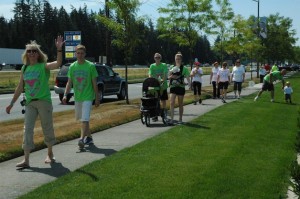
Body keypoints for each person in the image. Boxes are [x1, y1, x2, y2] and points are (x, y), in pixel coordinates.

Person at [5, 36, 65, 168]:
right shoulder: (24, 69)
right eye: (29, 51)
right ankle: (26, 160)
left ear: (38, 54)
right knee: (27, 129)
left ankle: (50, 154)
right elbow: (20, 87)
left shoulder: (43, 66)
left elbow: (57, 64)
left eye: (34, 51)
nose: (31, 53)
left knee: (47, 127)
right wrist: (11, 103)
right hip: (30, 103)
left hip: (44, 102)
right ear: (26, 54)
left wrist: (59, 50)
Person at [63, 44, 100, 149]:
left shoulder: (90, 66)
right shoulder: (72, 66)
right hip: (78, 97)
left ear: (85, 54)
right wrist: (65, 95)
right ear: (75, 54)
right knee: (83, 119)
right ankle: (89, 137)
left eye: (82, 53)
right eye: (78, 53)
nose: (80, 55)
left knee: (84, 119)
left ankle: (81, 139)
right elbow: (69, 82)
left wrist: (97, 98)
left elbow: (94, 83)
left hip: (88, 97)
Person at [168, 52, 191, 125]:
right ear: (175, 59)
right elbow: (168, 76)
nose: (177, 60)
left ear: (181, 60)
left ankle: (180, 119)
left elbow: (187, 77)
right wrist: (171, 77)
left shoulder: (184, 68)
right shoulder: (172, 67)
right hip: (173, 86)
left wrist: (190, 85)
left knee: (180, 103)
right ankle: (171, 119)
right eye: (176, 59)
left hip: (181, 87)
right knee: (171, 102)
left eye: (179, 59)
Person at [148, 53, 168, 121]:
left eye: (158, 57)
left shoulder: (164, 65)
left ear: (160, 58)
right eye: (156, 57)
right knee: (155, 100)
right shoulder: (152, 66)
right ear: (154, 58)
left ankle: (164, 112)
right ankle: (155, 115)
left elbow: (165, 74)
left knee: (163, 100)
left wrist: (163, 79)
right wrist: (151, 80)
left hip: (163, 86)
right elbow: (150, 74)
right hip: (155, 86)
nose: (157, 59)